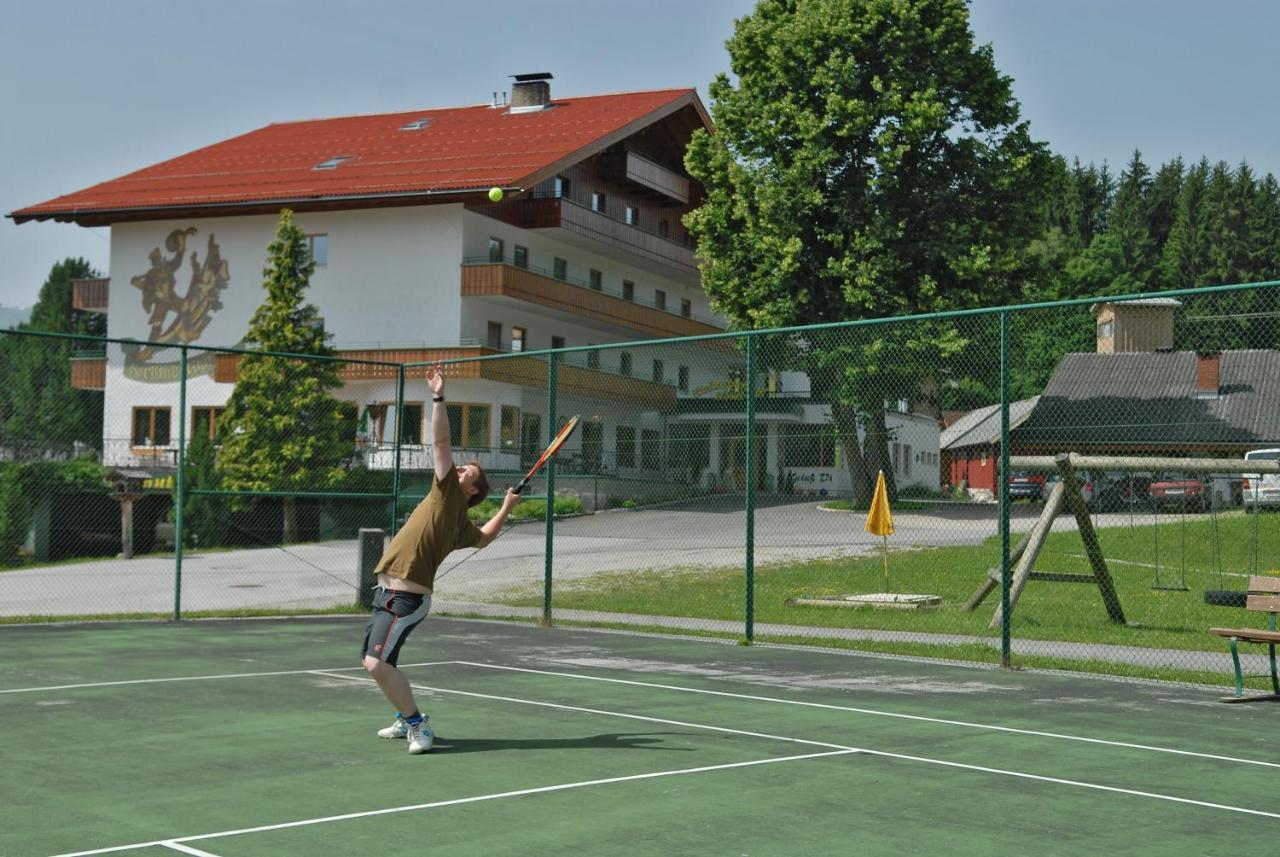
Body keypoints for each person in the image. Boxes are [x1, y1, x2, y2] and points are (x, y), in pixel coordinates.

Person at [362, 363, 521, 754]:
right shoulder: (453, 510)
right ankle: (404, 718)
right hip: (385, 592)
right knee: (378, 662)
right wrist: (505, 507)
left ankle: (419, 725)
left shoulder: (451, 495)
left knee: (376, 664)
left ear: (471, 490)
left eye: (470, 470)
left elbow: (440, 444)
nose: (462, 466)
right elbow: (484, 539)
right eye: (463, 466)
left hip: (406, 599)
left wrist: (438, 396)